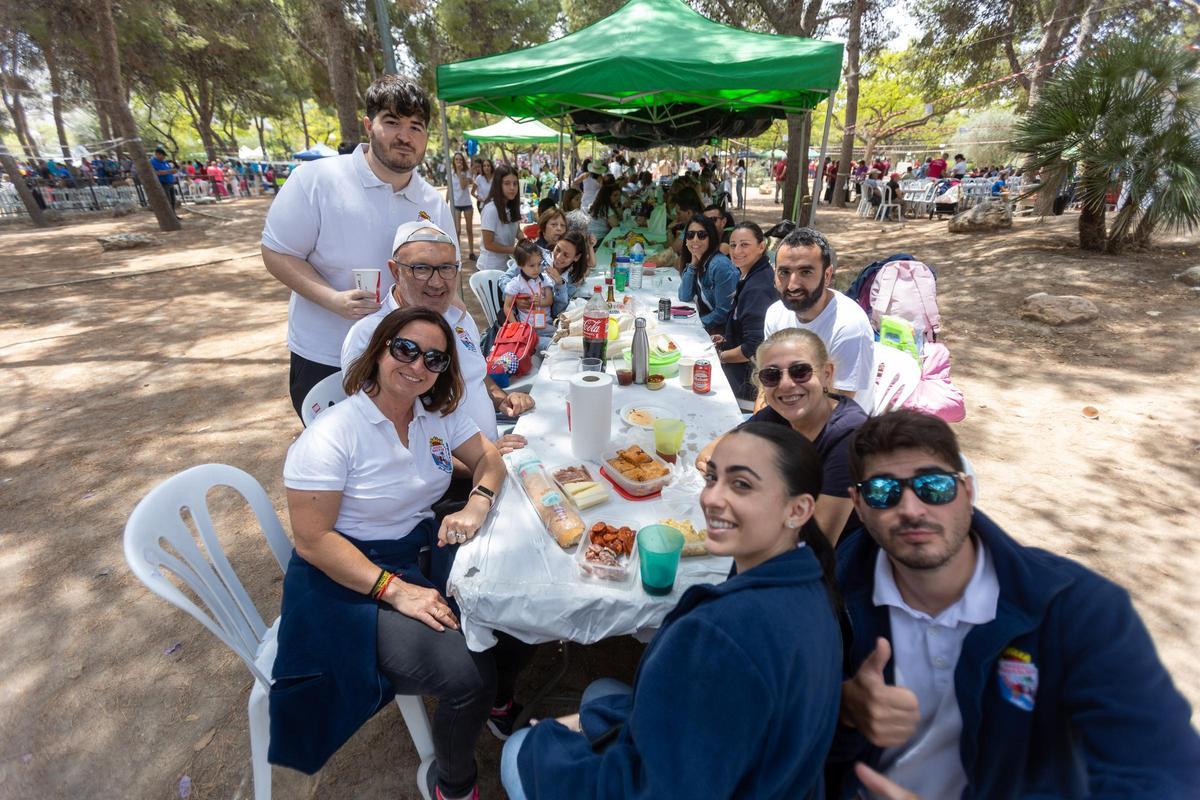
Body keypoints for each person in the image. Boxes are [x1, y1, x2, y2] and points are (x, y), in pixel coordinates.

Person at [826, 410, 1200, 800]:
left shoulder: (1076, 608)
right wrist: (844, 709)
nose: (911, 509)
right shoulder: (829, 598)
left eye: (934, 487)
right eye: (883, 492)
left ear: (968, 491)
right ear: (857, 502)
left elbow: (1161, 774)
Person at [500, 422, 845, 800]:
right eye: (712, 478)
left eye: (741, 484)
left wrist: (548, 745)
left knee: (518, 748)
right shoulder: (811, 582)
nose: (712, 498)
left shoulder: (723, 635)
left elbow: (659, 788)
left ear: (798, 509)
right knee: (599, 694)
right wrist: (591, 723)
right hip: (760, 769)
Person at [271, 305, 512, 800]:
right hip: (345, 576)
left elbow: (489, 458)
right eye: (405, 349)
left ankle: (497, 700)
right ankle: (455, 784)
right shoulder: (333, 435)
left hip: (417, 547)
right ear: (379, 350)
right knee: (466, 674)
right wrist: (396, 591)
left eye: (434, 359)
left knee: (511, 598)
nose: (418, 365)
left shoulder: (436, 415)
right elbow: (313, 540)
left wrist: (477, 503)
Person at [262, 74, 456, 419]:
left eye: (416, 127)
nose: (404, 136)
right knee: (343, 463)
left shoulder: (432, 201)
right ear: (369, 125)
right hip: (326, 357)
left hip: (406, 362)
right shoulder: (317, 180)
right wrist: (332, 299)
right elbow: (277, 252)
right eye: (392, 122)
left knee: (401, 455)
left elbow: (445, 276)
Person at [340, 219, 532, 450]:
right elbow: (382, 438)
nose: (437, 282)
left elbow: (475, 373)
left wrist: (502, 398)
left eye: (446, 268)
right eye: (421, 269)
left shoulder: (458, 317)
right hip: (441, 477)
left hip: (491, 452)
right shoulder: (370, 334)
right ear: (395, 271)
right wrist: (480, 461)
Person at [697, 327, 867, 542]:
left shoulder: (850, 437)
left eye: (800, 371)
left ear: (827, 374)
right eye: (771, 375)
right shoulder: (779, 415)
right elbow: (709, 454)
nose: (786, 384)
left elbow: (817, 542)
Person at [762, 227, 874, 407]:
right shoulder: (775, 314)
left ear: (827, 275)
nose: (792, 285)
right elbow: (768, 379)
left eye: (805, 272)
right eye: (784, 272)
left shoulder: (849, 326)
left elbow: (837, 407)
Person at [711, 222, 777, 403]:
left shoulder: (758, 288)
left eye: (744, 244)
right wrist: (727, 338)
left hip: (745, 384)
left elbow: (753, 348)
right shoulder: (752, 274)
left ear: (761, 247)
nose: (736, 251)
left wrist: (719, 357)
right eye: (733, 245)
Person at [677, 214, 738, 331]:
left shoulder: (720, 266)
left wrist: (693, 324)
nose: (695, 239)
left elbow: (723, 313)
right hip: (711, 324)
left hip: (724, 332)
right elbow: (684, 296)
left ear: (711, 238)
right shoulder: (700, 261)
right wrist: (693, 265)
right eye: (690, 235)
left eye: (701, 235)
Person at [502, 240, 555, 350]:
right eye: (531, 265)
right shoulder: (516, 283)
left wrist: (539, 302)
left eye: (539, 264)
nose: (537, 269)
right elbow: (507, 306)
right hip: (528, 328)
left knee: (562, 337)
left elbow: (549, 301)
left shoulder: (544, 279)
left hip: (546, 324)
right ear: (520, 265)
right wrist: (517, 327)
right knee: (551, 345)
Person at [477, 164, 524, 271]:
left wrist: (526, 242)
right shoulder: (491, 209)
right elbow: (488, 244)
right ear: (498, 185)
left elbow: (517, 231)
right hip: (490, 268)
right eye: (507, 183)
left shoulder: (511, 206)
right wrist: (514, 250)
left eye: (515, 183)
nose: (512, 188)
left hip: (506, 266)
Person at [449, 152, 476, 261]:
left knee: (469, 229)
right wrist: (446, 201)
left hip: (467, 204)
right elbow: (450, 188)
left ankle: (471, 252)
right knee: (457, 230)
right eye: (457, 160)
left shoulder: (466, 173)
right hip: (456, 205)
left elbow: (463, 186)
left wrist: (460, 173)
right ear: (454, 162)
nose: (459, 162)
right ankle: (457, 254)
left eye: (460, 160)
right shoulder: (450, 173)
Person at [149, 147, 177, 212]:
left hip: (170, 183)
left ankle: (174, 215)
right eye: (163, 155)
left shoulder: (165, 162)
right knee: (168, 201)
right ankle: (170, 216)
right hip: (163, 184)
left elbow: (169, 170)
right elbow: (155, 173)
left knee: (173, 200)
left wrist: (172, 172)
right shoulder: (152, 162)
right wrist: (170, 171)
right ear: (157, 154)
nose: (164, 157)